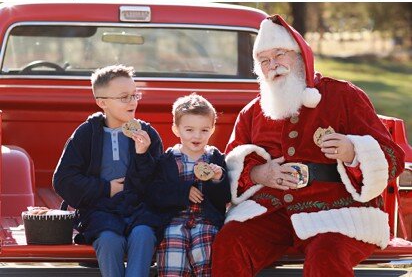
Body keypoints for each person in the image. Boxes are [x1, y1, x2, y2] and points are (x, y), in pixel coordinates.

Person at [211, 16, 405, 277]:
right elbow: (231, 163)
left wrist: (353, 151)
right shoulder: (253, 111)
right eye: (264, 61)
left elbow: (393, 158)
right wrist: (258, 174)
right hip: (271, 211)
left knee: (326, 255)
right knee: (230, 242)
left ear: (300, 55)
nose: (273, 65)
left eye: (280, 55)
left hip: (337, 210)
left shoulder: (343, 95)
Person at [53, 64, 164, 277]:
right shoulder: (86, 134)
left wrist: (142, 155)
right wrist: (106, 188)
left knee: (143, 234)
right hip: (100, 210)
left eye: (135, 95)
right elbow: (64, 179)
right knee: (109, 240)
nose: (132, 102)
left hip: (139, 208)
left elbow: (158, 183)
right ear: (102, 102)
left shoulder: (147, 133)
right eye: (124, 97)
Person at [147, 93, 231, 276]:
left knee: (207, 248)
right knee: (172, 246)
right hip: (174, 220)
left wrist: (218, 179)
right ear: (176, 129)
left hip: (206, 220)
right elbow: (155, 194)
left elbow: (224, 198)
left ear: (212, 129)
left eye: (204, 130)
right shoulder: (167, 160)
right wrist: (183, 192)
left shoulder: (215, 158)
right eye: (189, 129)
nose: (197, 136)